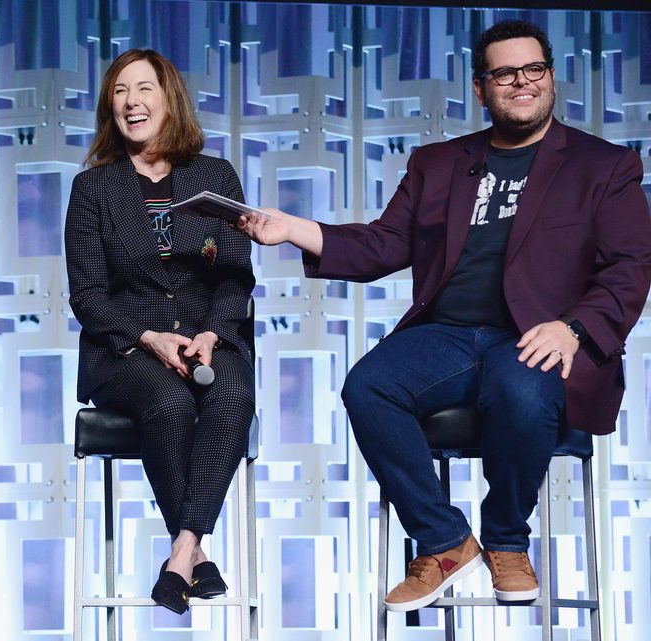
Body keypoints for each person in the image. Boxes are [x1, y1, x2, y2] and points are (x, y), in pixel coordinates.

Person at [238, 20, 651, 612]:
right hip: (449, 336)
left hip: (537, 336)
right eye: (504, 74)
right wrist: (293, 229)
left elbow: (629, 266)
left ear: (551, 76)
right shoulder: (438, 163)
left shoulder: (603, 166)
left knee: (524, 392)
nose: (521, 83)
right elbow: (384, 244)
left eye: (533, 69)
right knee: (368, 386)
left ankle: (507, 539)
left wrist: (574, 327)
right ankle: (445, 541)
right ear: (481, 88)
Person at [65, 49, 256, 614]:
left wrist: (213, 334)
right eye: (120, 92)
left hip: (207, 339)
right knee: (170, 400)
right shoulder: (93, 189)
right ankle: (195, 558)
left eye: (144, 88)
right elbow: (88, 296)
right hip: (125, 350)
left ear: (169, 97)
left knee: (232, 389)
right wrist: (149, 339)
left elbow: (236, 272)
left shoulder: (215, 175)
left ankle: (181, 554)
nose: (131, 101)